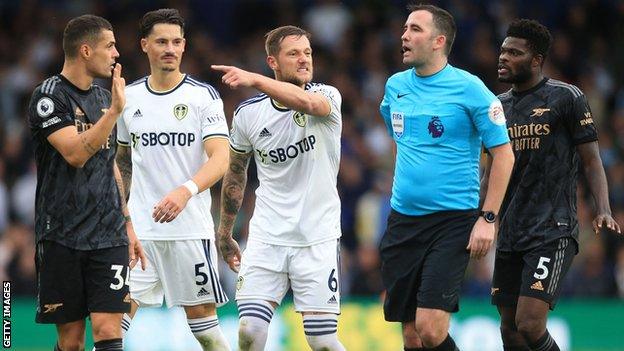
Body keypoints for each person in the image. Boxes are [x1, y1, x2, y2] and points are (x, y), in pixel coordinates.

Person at [378, 4, 515, 351]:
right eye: (405, 28)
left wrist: (487, 218)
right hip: (403, 222)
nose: (404, 35)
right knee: (410, 335)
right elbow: (403, 142)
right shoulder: (395, 87)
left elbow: (503, 154)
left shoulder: (470, 89)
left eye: (415, 29)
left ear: (439, 41)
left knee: (430, 328)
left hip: (452, 221)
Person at [485, 19, 621, 351]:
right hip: (511, 231)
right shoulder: (496, 106)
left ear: (536, 60)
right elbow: (490, 172)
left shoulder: (566, 98)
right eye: (503, 50)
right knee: (509, 330)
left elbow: (591, 159)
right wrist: (478, 217)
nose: (504, 57)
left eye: (514, 53)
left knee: (530, 324)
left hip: (552, 228)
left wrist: (602, 207)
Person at [213, 25, 346, 351]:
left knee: (323, 341)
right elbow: (235, 173)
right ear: (273, 61)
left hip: (316, 238)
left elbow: (308, 105)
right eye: (294, 53)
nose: (304, 60)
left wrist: (256, 80)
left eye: (308, 52)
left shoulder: (327, 95)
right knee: (249, 332)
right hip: (266, 238)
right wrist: (225, 231)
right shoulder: (248, 114)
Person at [115, 8, 231, 351]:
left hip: (189, 231)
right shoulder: (127, 98)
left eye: (176, 42)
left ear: (184, 47)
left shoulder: (202, 96)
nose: (170, 48)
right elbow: (122, 165)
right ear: (144, 45)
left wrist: (186, 191)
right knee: (111, 330)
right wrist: (123, 218)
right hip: (140, 234)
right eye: (162, 41)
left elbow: (221, 158)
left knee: (206, 333)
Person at [27, 14, 146, 351]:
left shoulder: (104, 97)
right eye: (109, 46)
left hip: (108, 234)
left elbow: (111, 166)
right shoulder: (48, 97)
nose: (116, 54)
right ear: (85, 50)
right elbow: (75, 154)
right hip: (62, 234)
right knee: (72, 341)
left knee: (110, 331)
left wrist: (128, 225)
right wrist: (113, 115)